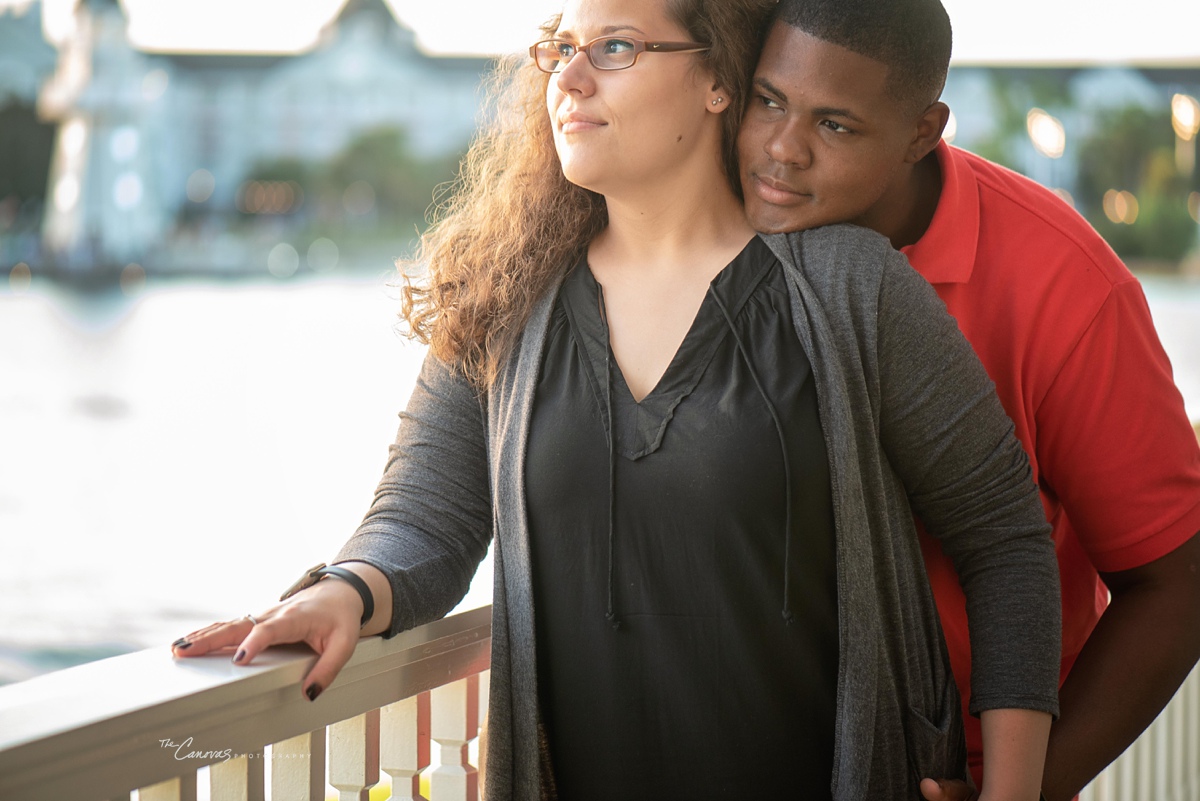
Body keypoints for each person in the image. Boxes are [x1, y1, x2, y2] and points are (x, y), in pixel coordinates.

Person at [172, 0, 1063, 798]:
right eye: (561, 45)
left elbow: (1005, 537)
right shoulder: (505, 295)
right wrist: (349, 591)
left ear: (718, 77)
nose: (569, 74)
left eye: (616, 46)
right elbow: (425, 516)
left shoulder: (848, 290)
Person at [735, 1, 1200, 799]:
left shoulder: (1065, 287)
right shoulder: (721, 221)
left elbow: (1178, 581)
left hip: (951, 772)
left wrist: (1024, 788)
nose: (782, 150)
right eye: (769, 99)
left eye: (836, 125)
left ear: (924, 131)